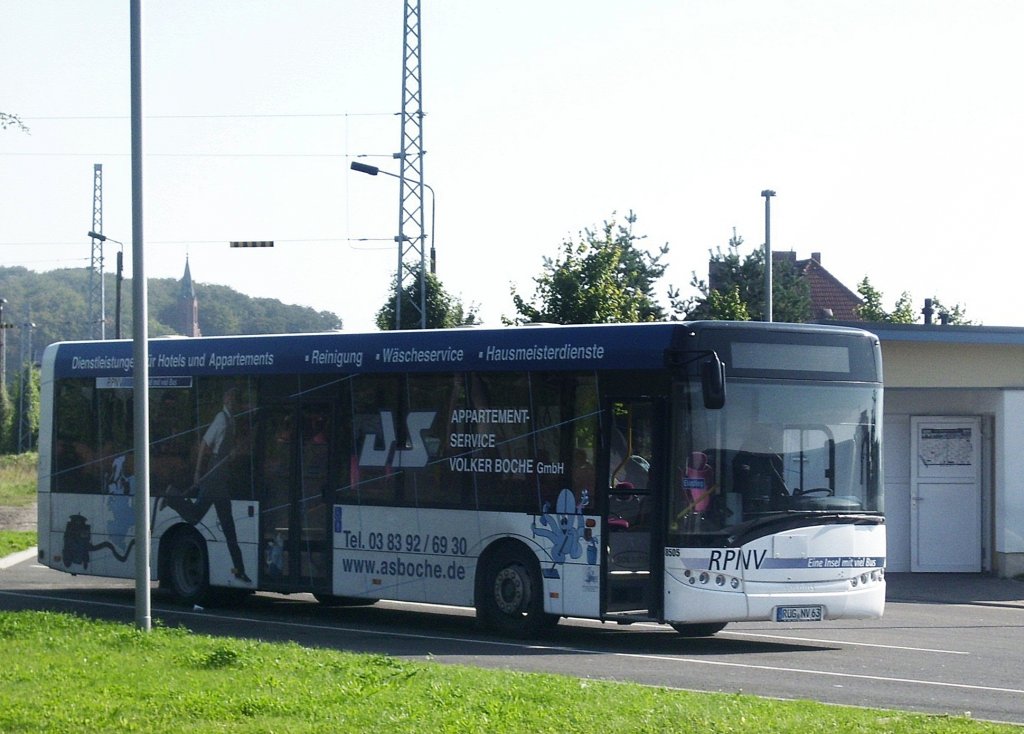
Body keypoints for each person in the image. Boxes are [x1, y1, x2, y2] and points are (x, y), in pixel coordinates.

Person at [162, 386, 250, 582]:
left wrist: (233, 453)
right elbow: (205, 444)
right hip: (214, 475)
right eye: (236, 400)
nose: (238, 405)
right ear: (228, 400)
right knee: (196, 517)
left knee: (228, 524)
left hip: (221, 473)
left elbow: (223, 447)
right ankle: (173, 496)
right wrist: (197, 472)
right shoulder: (221, 418)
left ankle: (239, 568)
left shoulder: (231, 420)